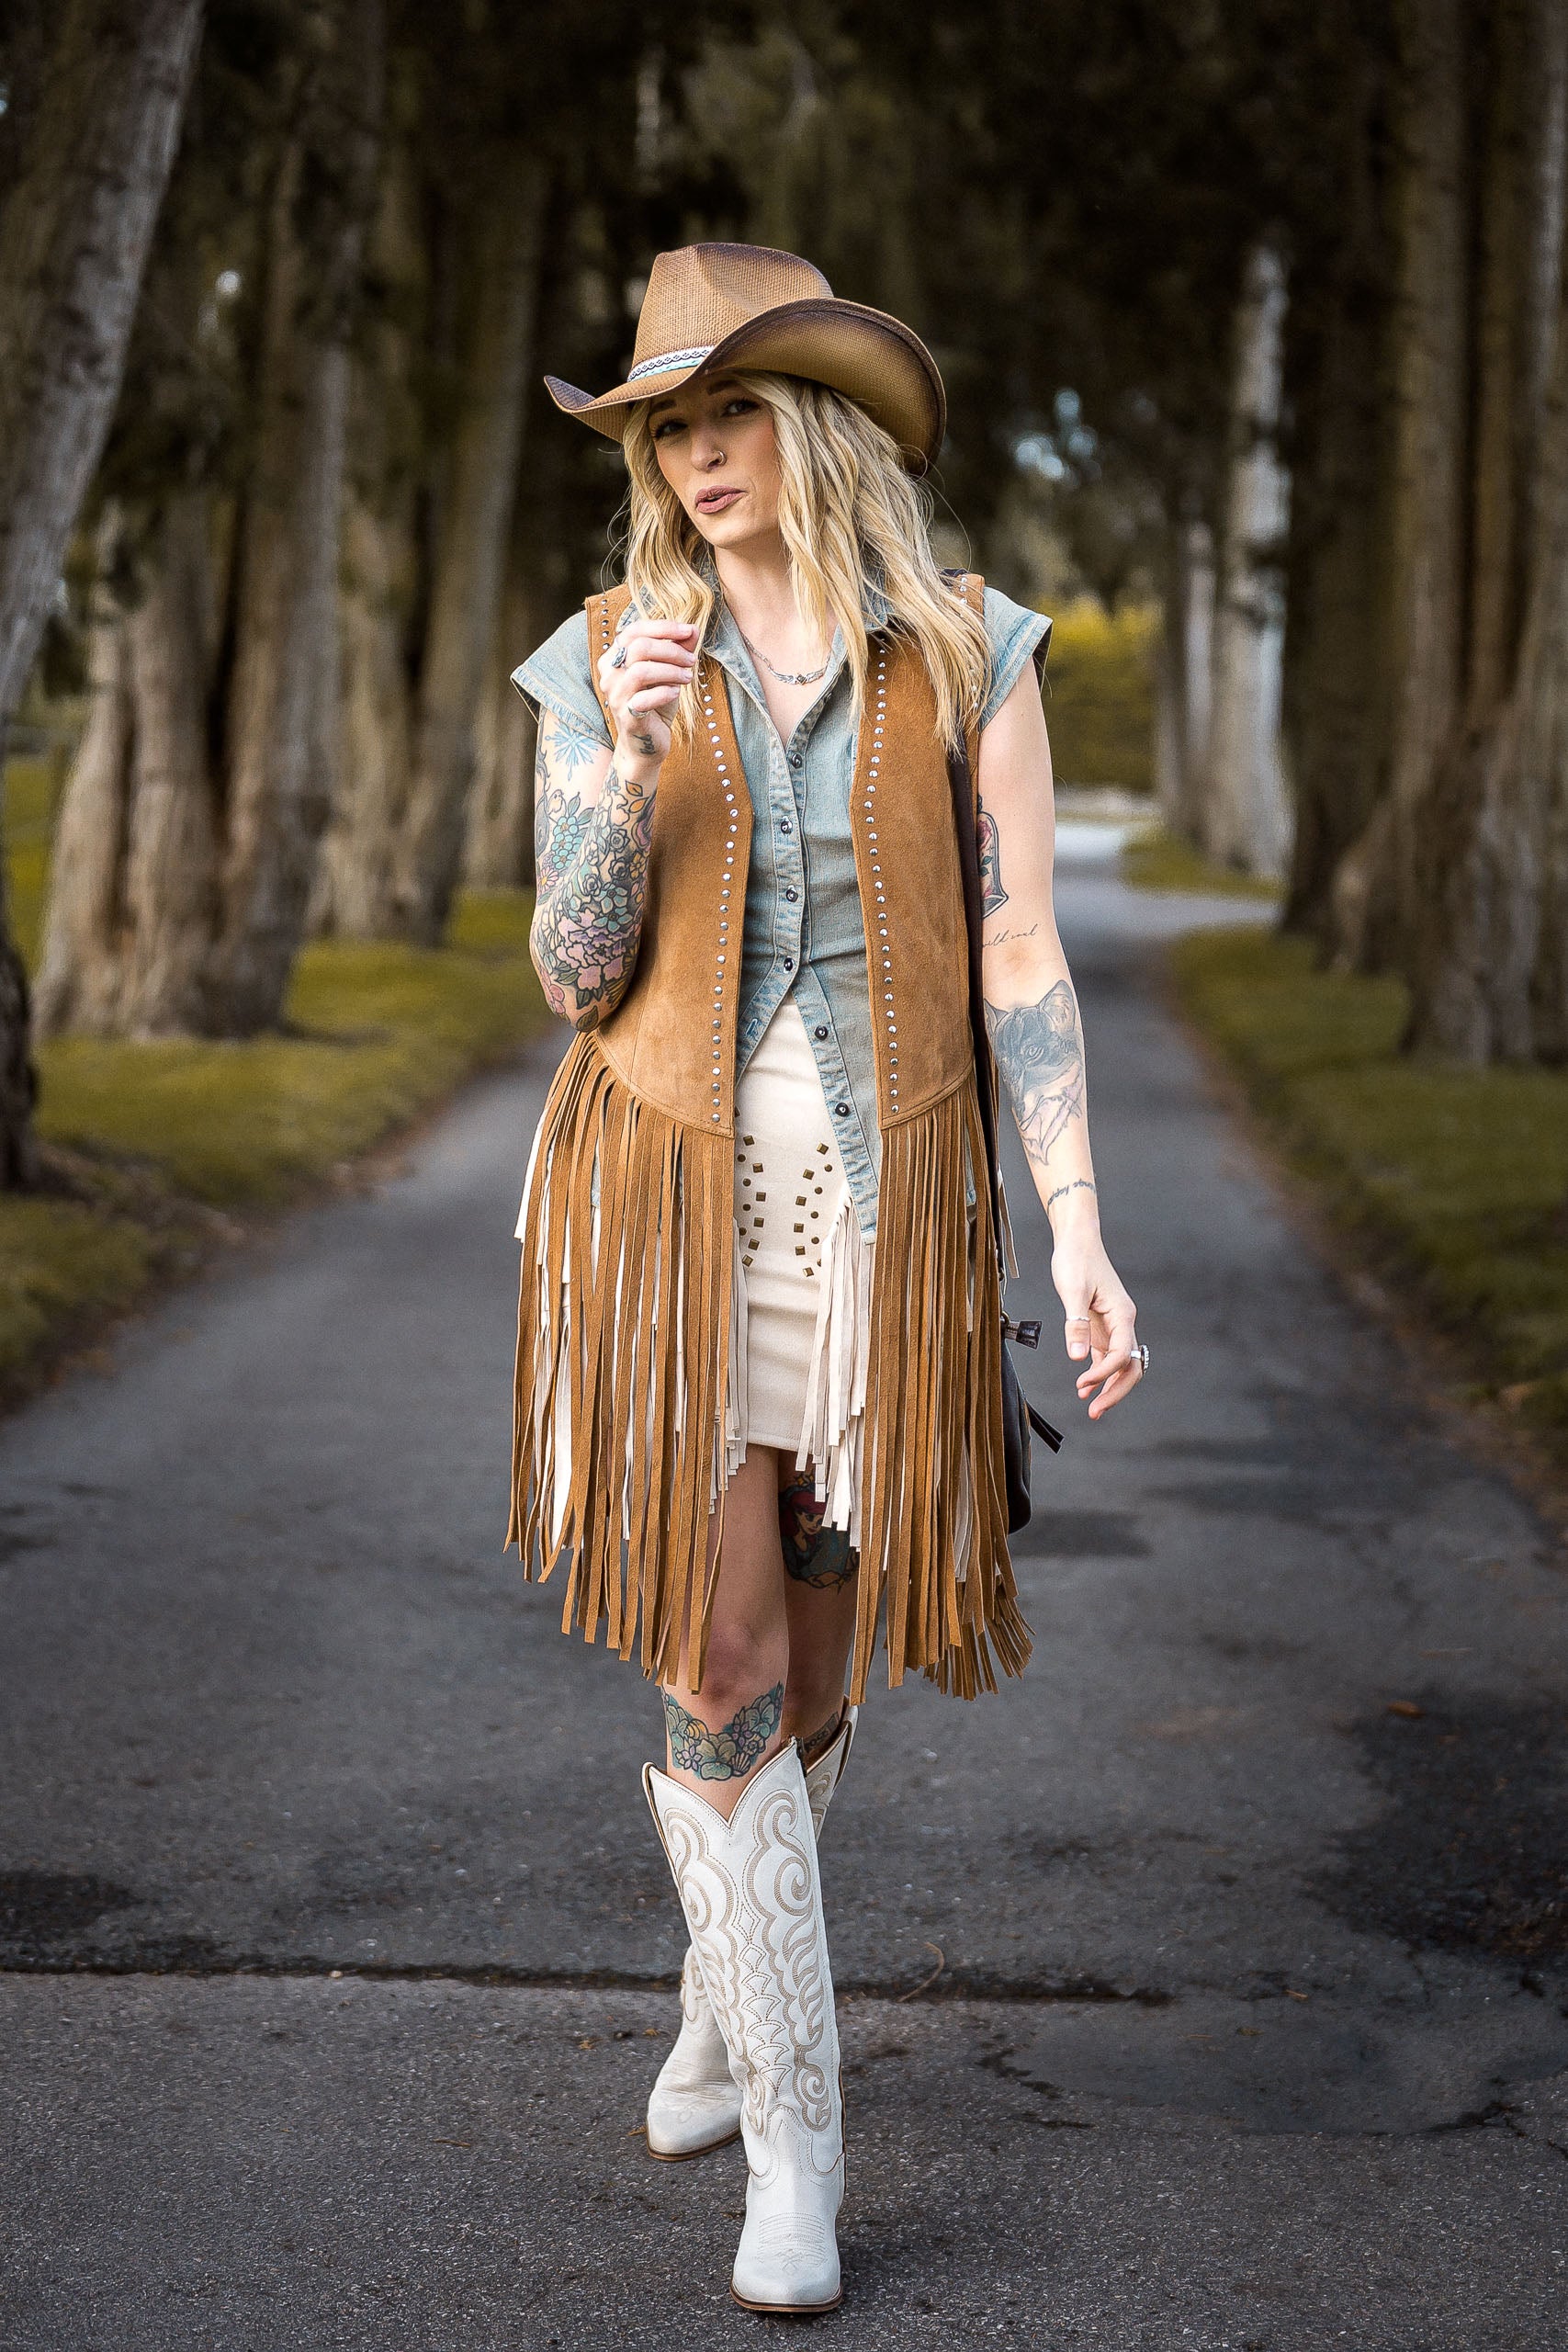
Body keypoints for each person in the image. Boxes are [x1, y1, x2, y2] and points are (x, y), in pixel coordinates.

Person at [509, 243, 1142, 2315]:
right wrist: (611, 763)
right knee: (721, 1667)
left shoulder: (966, 647)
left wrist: (1075, 1223)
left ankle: (716, 2000)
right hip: (662, 1222)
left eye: (723, 414)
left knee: (824, 1674)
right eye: (660, 427)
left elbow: (1024, 954)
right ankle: (798, 2155)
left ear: (816, 425)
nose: (692, 457)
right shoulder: (603, 646)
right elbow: (572, 972)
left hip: (891, 1219)